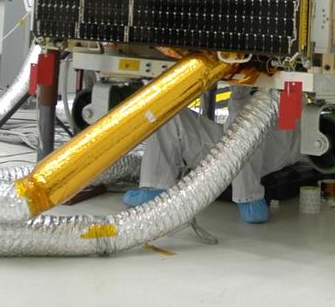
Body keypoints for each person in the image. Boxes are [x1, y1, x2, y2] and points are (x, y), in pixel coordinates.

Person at [123, 86, 302, 223]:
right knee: (168, 114)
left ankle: (249, 198)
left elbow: (288, 125)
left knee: (243, 120)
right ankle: (155, 186)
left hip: (273, 151)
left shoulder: (290, 82)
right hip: (229, 147)